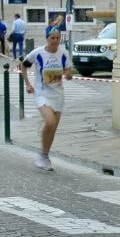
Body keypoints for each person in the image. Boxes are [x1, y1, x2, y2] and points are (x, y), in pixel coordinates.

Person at [20, 27, 73, 171]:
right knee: (50, 122)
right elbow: (23, 65)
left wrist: (68, 74)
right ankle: (42, 155)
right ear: (47, 39)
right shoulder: (38, 53)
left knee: (53, 128)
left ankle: (44, 156)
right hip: (42, 93)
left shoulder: (64, 53)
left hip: (58, 95)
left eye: (57, 38)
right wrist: (28, 84)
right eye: (52, 38)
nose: (55, 41)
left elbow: (68, 70)